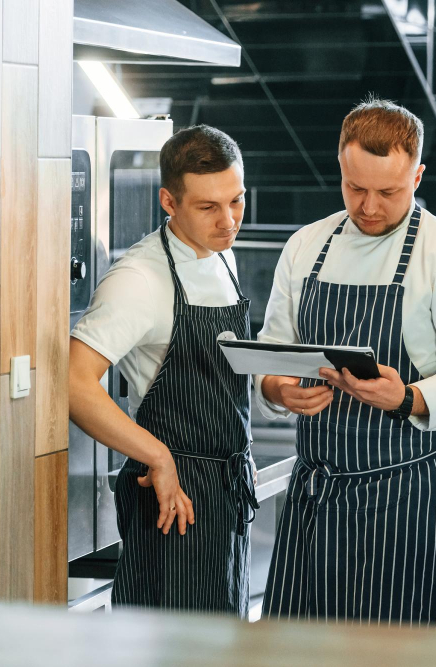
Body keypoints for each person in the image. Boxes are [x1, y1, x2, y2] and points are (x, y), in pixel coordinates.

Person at [257, 98, 436, 624]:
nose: (368, 206)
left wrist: (409, 396)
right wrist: (279, 389)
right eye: (355, 188)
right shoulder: (306, 246)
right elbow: (273, 350)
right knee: (296, 652)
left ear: (417, 175)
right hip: (316, 493)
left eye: (388, 192)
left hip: (407, 497)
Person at [69, 125, 258, 616]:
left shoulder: (222, 255)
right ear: (168, 202)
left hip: (227, 490)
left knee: (218, 646)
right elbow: (72, 384)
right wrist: (158, 457)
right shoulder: (139, 280)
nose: (228, 221)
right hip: (171, 498)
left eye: (236, 201)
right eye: (208, 207)